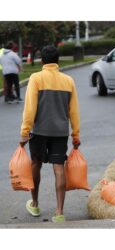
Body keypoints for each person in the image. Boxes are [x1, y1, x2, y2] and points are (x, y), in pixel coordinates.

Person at [19, 45, 81, 222]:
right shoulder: (68, 81)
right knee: (59, 168)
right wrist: (75, 135)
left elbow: (30, 108)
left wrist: (24, 132)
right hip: (60, 133)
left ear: (42, 61)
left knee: (35, 165)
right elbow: (74, 111)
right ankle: (60, 212)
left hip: (38, 132)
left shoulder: (36, 78)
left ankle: (35, 203)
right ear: (58, 61)